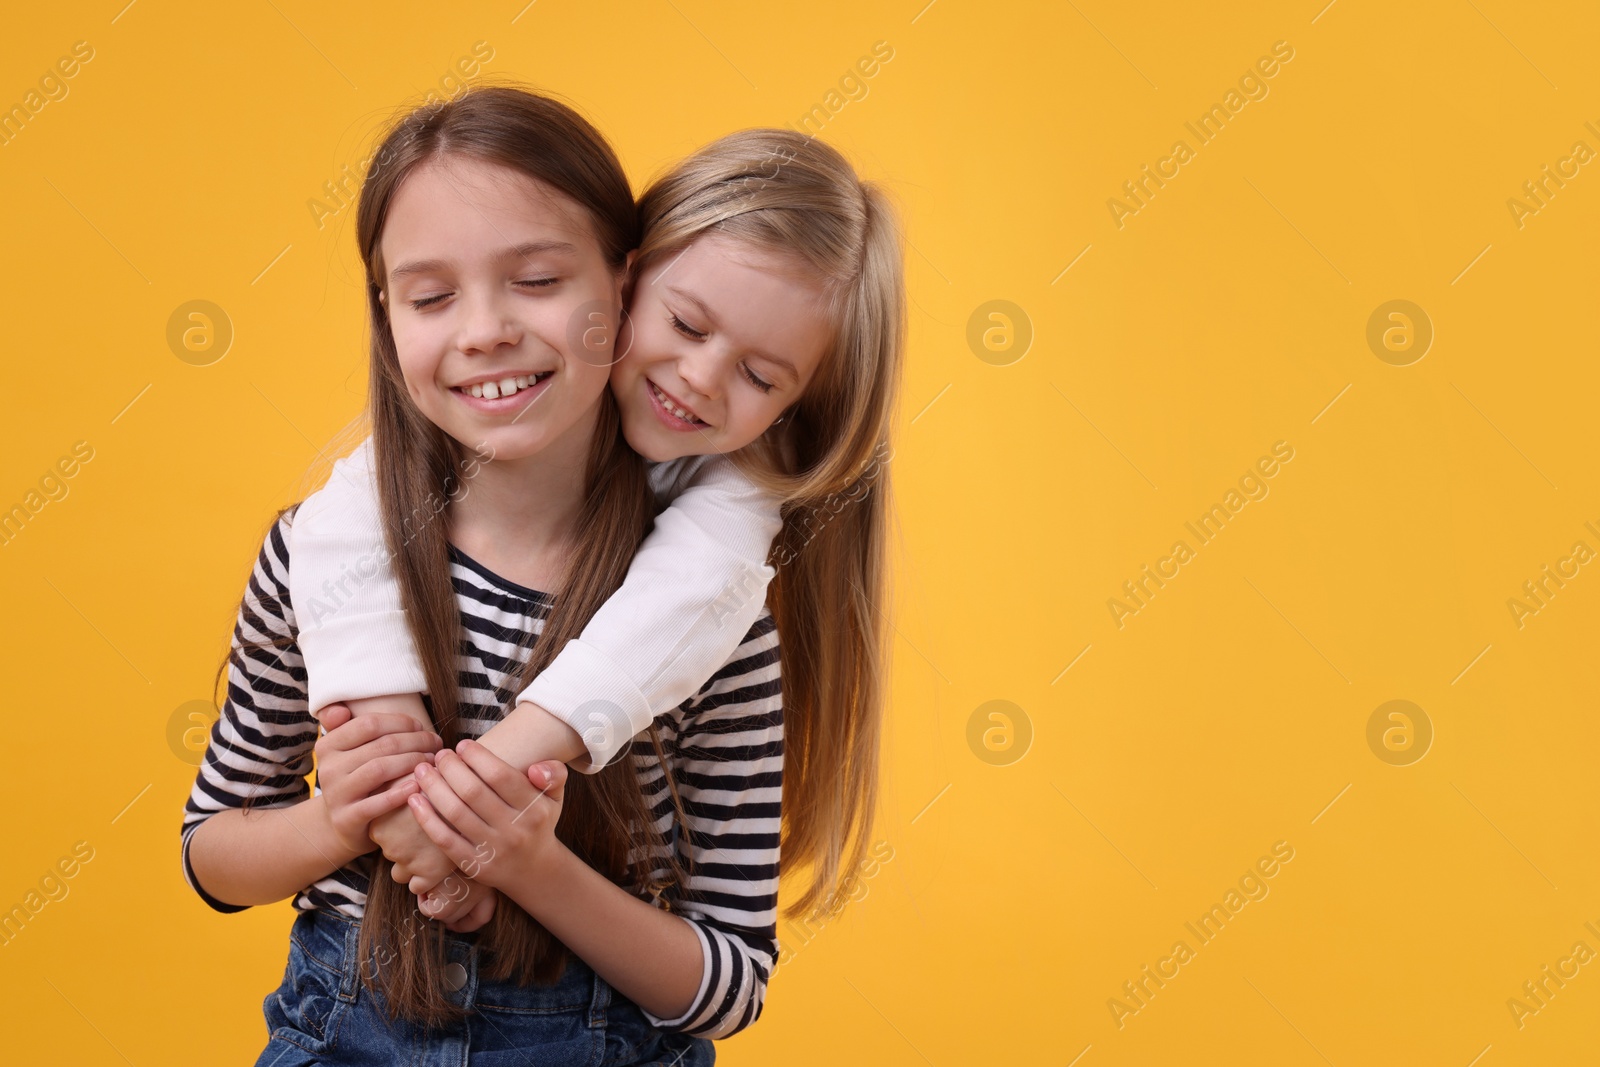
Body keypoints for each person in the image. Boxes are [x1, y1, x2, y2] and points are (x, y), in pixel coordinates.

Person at [180, 83, 902, 1062]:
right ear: (386, 313)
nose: (482, 330)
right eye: (432, 297)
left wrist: (525, 863)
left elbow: (729, 981)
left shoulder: (716, 621)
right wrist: (336, 816)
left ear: (618, 279)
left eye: (535, 281)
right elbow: (213, 853)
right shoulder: (322, 554)